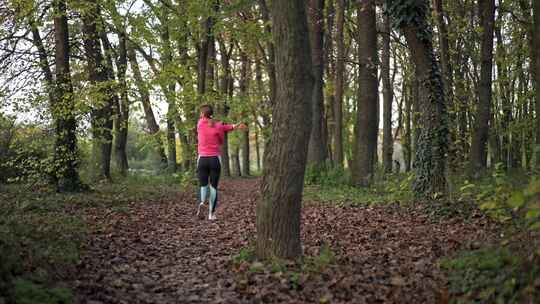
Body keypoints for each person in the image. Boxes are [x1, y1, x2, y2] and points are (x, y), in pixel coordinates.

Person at [197, 104, 247, 220]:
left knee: (203, 185)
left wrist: (211, 119)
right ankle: (211, 214)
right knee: (213, 187)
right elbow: (225, 128)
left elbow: (209, 122)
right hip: (215, 159)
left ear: (202, 114)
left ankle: (202, 202)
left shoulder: (199, 124)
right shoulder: (218, 126)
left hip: (202, 159)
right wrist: (236, 125)